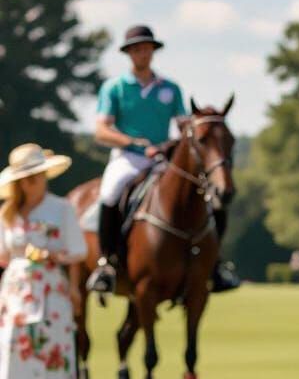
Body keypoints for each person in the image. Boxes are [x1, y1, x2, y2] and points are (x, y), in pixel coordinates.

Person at [86, 24, 239, 297]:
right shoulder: (115, 88)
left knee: (210, 198)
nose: (142, 53)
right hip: (127, 159)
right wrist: (134, 143)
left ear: (152, 51)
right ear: (129, 53)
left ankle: (215, 265)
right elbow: (101, 130)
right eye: (136, 49)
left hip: (161, 158)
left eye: (146, 48)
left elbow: (184, 127)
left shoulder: (170, 88)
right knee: (110, 194)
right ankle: (106, 264)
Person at [0, 144, 86, 379]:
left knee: (50, 362)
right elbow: (3, 256)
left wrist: (70, 282)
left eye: (38, 176)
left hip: (50, 291)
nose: (35, 182)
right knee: (16, 365)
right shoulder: (7, 213)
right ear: (19, 182)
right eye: (29, 177)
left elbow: (76, 252)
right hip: (16, 294)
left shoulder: (61, 208)